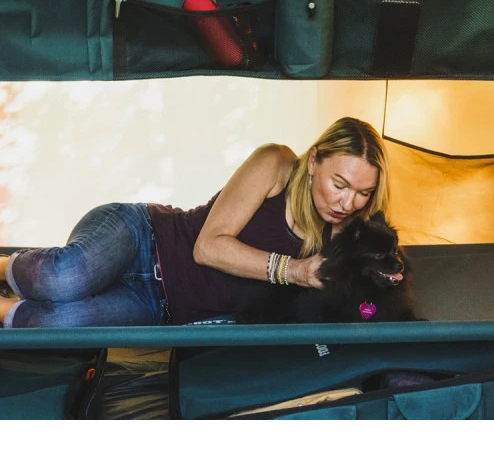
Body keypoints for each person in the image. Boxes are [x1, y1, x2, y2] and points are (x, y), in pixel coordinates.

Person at [0, 117, 390, 329]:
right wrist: (295, 270)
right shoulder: (277, 165)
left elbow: (366, 309)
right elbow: (208, 247)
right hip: (144, 238)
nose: (347, 203)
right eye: (340, 184)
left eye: (363, 193)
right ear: (315, 160)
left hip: (159, 306)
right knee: (63, 279)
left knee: (53, 323)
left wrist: (378, 293)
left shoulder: (348, 239)